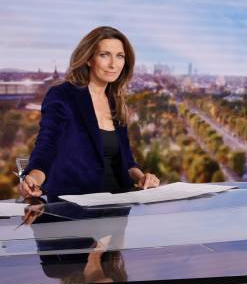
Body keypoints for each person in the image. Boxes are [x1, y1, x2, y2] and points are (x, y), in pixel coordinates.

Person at [18, 26, 159, 202]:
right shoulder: (63, 96)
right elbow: (46, 148)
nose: (113, 64)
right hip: (73, 210)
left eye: (120, 56)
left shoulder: (115, 101)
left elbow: (126, 162)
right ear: (89, 59)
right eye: (104, 55)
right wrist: (33, 180)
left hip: (117, 207)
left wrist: (142, 178)